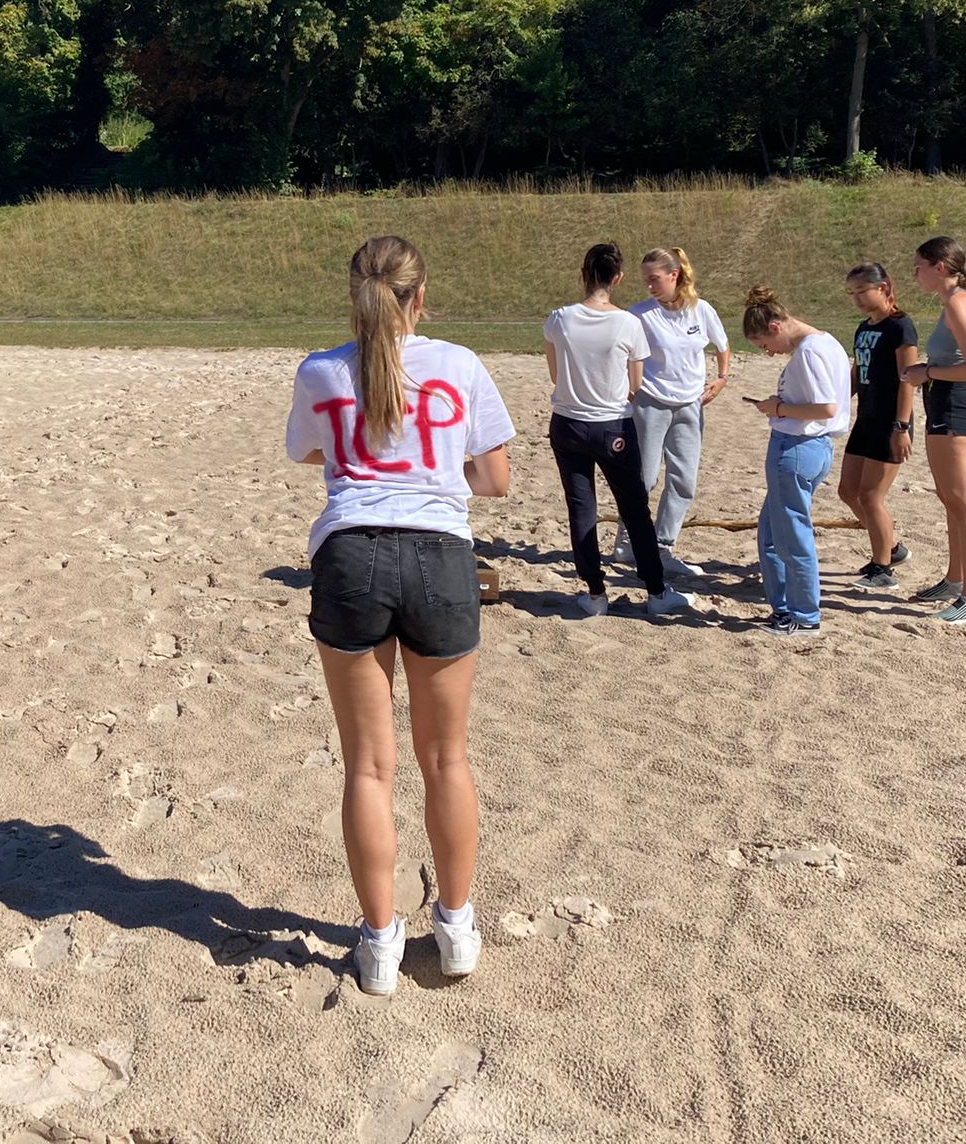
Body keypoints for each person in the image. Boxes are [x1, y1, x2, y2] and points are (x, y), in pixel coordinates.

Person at [284, 236, 513, 997]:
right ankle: (455, 928)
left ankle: (380, 944)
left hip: (351, 552)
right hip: (440, 554)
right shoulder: (459, 364)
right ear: (422, 295)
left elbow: (314, 453)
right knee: (446, 758)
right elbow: (496, 480)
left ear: (354, 295)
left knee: (368, 766)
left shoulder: (321, 369)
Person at [544, 243, 705, 620]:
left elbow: (555, 374)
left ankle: (595, 592)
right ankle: (655, 589)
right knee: (634, 508)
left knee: (581, 508)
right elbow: (636, 382)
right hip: (611, 424)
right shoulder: (628, 323)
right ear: (617, 278)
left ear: (584, 274)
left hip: (568, 423)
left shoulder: (559, 319)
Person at [740, 285, 851, 635]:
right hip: (810, 446)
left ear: (775, 327)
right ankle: (789, 609)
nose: (769, 353)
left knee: (789, 536)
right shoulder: (825, 343)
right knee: (774, 532)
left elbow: (825, 407)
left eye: (764, 345)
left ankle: (802, 615)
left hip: (799, 446)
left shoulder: (808, 352)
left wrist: (779, 408)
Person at [621, 247, 731, 578]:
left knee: (684, 479)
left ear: (675, 275)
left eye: (654, 279)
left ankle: (663, 545)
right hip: (651, 402)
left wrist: (722, 378)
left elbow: (722, 346)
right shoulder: (639, 314)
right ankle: (627, 542)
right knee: (646, 477)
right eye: (645, 281)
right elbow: (623, 354)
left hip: (690, 404)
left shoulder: (702, 310)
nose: (649, 286)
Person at [901, 236, 966, 624]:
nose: (915, 274)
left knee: (963, 502)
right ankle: (955, 580)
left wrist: (926, 372)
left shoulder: (958, 302)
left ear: (939, 267)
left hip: (955, 404)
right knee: (949, 498)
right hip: (942, 402)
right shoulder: (955, 299)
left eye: (918, 266)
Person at [835, 263, 918, 588]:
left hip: (889, 422)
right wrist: (836, 400)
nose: (856, 298)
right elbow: (859, 371)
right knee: (848, 491)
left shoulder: (901, 327)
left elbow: (907, 380)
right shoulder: (863, 327)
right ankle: (892, 548)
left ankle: (882, 569)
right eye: (852, 293)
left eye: (861, 291)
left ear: (882, 287)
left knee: (871, 496)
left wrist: (902, 427)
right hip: (865, 419)